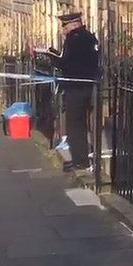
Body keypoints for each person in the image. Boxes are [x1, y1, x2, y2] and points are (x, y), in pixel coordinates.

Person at [40, 12, 99, 172]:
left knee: (75, 124)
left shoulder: (73, 40)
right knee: (90, 124)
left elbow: (67, 64)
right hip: (90, 85)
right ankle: (90, 157)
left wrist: (51, 57)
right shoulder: (90, 38)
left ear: (73, 24)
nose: (63, 30)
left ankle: (80, 160)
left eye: (65, 26)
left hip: (75, 87)